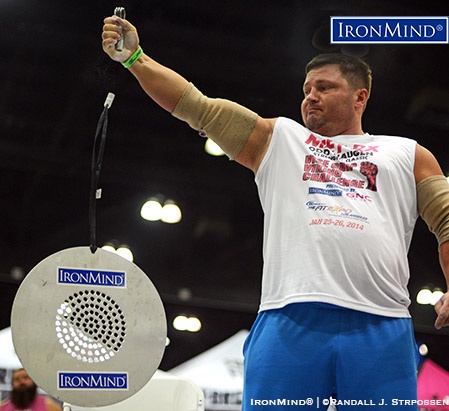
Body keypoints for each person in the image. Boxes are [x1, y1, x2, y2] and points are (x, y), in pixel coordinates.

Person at [101, 16, 449, 410]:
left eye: (325, 87)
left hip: (381, 325)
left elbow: (447, 221)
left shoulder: (407, 153)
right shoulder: (278, 138)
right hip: (290, 320)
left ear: (360, 97)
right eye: (306, 89)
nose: (310, 97)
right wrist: (135, 59)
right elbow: (195, 106)